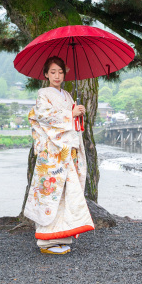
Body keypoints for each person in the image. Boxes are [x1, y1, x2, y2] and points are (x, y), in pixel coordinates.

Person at [23, 56, 95, 255]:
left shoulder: (68, 95)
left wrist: (77, 112)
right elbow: (43, 117)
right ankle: (46, 240)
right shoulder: (43, 94)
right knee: (50, 194)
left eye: (60, 72)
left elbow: (74, 125)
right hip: (52, 153)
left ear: (65, 74)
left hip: (66, 152)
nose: (57, 76)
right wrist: (70, 115)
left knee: (64, 194)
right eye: (52, 72)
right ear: (46, 74)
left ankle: (62, 236)